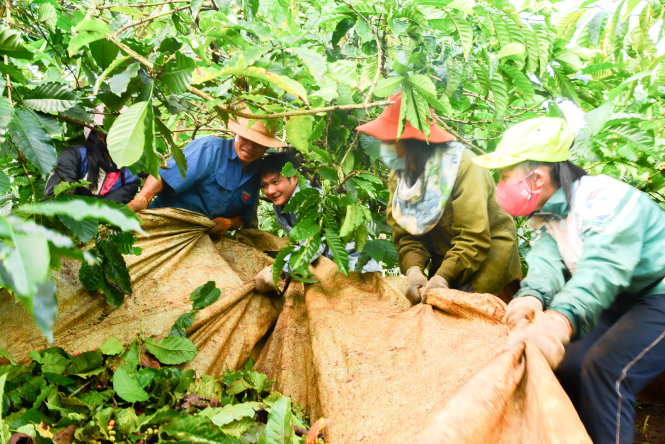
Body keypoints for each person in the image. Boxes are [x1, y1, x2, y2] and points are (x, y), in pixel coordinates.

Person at [472, 116, 665, 444]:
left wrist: (559, 320)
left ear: (535, 177)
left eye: (505, 176)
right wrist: (531, 297)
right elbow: (549, 259)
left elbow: (602, 269)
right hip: (620, 299)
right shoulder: (552, 213)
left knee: (607, 371)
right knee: (570, 364)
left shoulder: (605, 201)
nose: (500, 184)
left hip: (656, 295)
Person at [355, 93, 521, 304]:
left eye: (390, 141)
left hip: (487, 265)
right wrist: (414, 270)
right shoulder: (399, 177)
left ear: (411, 142)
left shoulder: (464, 167)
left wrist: (444, 278)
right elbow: (407, 234)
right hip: (446, 265)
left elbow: (474, 237)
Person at [128, 117, 286, 236]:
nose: (250, 147)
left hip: (203, 236)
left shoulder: (258, 173)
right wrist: (143, 198)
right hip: (164, 223)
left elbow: (243, 215)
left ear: (266, 146)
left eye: (257, 144)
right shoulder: (209, 149)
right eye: (246, 139)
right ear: (235, 133)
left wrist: (229, 223)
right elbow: (164, 176)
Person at [252, 151, 382, 293]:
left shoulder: (310, 200)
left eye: (275, 182)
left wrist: (278, 269)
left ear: (294, 178)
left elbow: (312, 246)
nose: (270, 190)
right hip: (330, 266)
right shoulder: (280, 205)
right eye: (264, 185)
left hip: (357, 268)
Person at [45, 124, 139, 203]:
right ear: (100, 136)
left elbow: (111, 208)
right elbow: (56, 195)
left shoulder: (129, 177)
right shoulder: (75, 155)